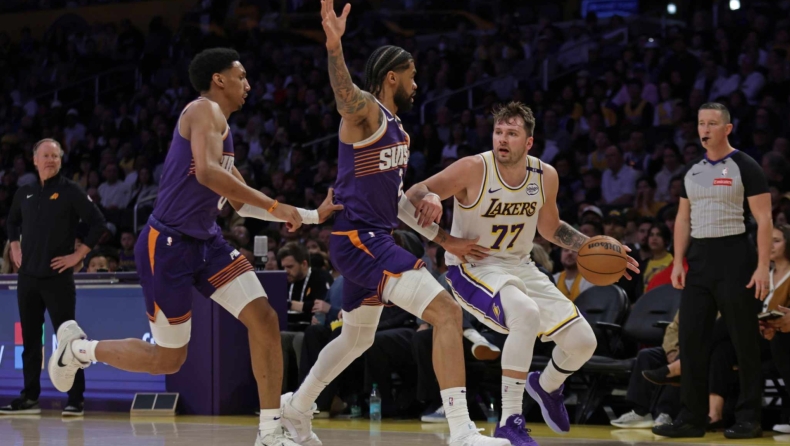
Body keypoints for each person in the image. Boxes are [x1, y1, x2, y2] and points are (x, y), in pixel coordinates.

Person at [46, 48, 340, 446]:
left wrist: (309, 215)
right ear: (219, 79)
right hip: (167, 245)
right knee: (169, 359)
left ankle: (270, 431)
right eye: (241, 76)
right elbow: (206, 173)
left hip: (207, 242)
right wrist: (277, 206)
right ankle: (79, 350)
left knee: (264, 318)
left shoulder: (223, 131)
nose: (248, 84)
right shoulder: (202, 110)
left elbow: (239, 202)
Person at [280, 3, 505, 446]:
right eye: (412, 76)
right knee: (447, 312)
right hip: (360, 238)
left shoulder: (398, 130)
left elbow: (399, 204)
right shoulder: (365, 112)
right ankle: (461, 429)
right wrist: (334, 47)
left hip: (368, 238)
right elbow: (344, 93)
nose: (417, 84)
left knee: (357, 340)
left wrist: (446, 240)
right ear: (391, 78)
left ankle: (297, 407)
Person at [404, 102, 639, 445]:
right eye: (498, 132)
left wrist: (593, 247)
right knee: (525, 314)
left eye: (512, 133)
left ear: (528, 142)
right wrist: (446, 238)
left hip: (520, 266)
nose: (502, 139)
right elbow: (409, 198)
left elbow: (550, 228)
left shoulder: (545, 175)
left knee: (583, 342)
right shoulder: (472, 168)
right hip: (473, 267)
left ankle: (545, 386)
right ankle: (510, 420)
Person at [654, 102, 772, 439]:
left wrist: (762, 267)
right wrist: (679, 261)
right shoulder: (692, 170)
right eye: (701, 123)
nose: (704, 130)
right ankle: (691, 418)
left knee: (743, 341)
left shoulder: (745, 166)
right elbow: (682, 218)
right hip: (700, 260)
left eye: (712, 123)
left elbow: (764, 219)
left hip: (736, 256)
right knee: (692, 340)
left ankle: (749, 418)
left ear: (727, 128)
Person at [0, 139, 106, 417]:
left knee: (69, 341)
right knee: (30, 342)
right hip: (28, 278)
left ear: (60, 160)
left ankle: (76, 399)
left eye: (55, 156)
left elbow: (98, 223)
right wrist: (14, 245)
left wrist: (78, 255)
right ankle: (29, 397)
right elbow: (11, 221)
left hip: (58, 278)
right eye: (46, 156)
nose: (51, 160)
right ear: (35, 160)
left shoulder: (70, 191)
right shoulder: (25, 192)